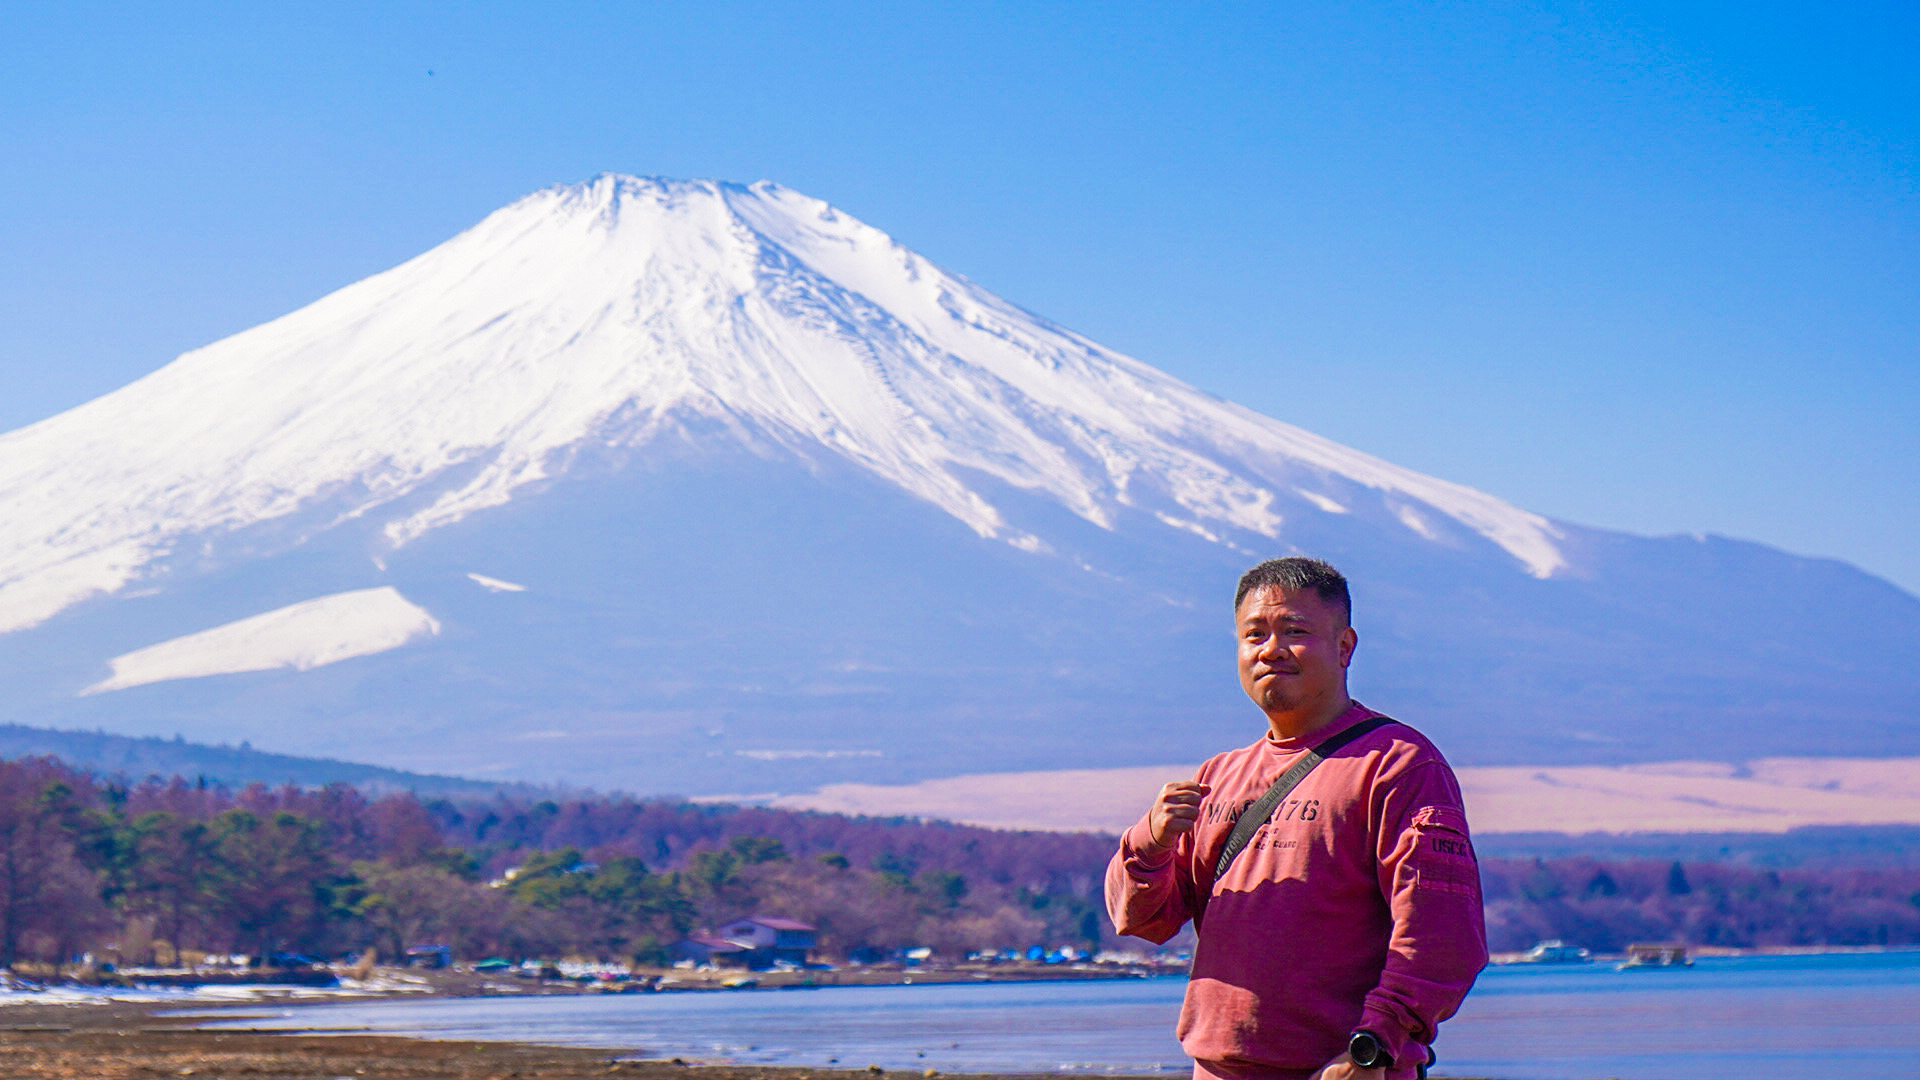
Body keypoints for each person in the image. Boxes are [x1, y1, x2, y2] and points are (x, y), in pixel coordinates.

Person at [1106, 557, 1486, 1080]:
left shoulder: (1398, 764)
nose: (1271, 649)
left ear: (1345, 647)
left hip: (1346, 1070)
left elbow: (1442, 936)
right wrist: (1149, 842)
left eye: (1295, 631)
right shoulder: (1220, 776)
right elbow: (1144, 921)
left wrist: (1376, 1043)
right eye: (1253, 634)